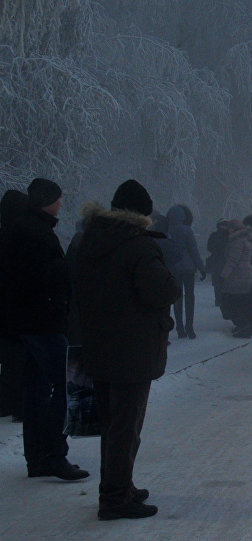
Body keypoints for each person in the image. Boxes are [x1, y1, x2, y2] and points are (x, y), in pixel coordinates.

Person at [75, 179, 181, 520]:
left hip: (100, 343)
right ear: (141, 214)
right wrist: (172, 281)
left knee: (112, 423)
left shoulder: (89, 239)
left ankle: (119, 486)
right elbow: (160, 290)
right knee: (127, 424)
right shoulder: (138, 246)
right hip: (132, 347)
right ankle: (116, 497)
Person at [1, 178, 89, 480]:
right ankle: (54, 454)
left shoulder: (22, 229)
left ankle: (37, 457)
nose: (61, 203)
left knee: (36, 390)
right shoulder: (35, 233)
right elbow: (42, 278)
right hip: (44, 323)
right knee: (68, 384)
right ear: (45, 201)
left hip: (28, 323)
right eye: (58, 198)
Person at [0, 190, 28, 422]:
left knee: (8, 360)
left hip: (4, 309)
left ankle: (6, 402)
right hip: (19, 309)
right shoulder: (22, 238)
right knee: (20, 361)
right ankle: (19, 404)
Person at [165, 205, 206, 339]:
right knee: (190, 296)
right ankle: (190, 327)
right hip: (188, 268)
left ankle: (180, 327)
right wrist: (201, 267)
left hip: (174, 267)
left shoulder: (167, 230)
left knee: (177, 298)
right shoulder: (187, 230)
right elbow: (194, 251)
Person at [219, 220, 252, 337]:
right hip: (247, 275)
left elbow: (232, 261)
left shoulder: (236, 242)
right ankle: (245, 326)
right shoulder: (247, 240)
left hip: (237, 276)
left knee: (234, 303)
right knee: (243, 302)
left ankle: (242, 327)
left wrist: (223, 275)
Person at [205, 219, 229, 308]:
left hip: (216, 261)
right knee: (225, 282)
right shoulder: (229, 236)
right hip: (225, 261)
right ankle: (224, 300)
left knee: (217, 282)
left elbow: (209, 247)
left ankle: (219, 300)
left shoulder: (214, 235)